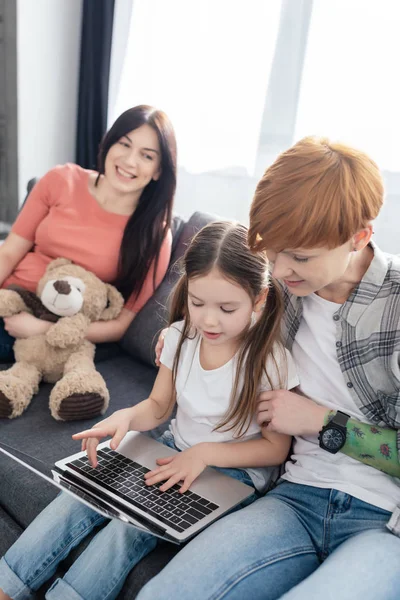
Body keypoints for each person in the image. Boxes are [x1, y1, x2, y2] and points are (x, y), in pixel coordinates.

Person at [137, 137, 400, 600]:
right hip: (293, 498)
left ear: (360, 236)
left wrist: (322, 422)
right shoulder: (279, 290)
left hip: (384, 522)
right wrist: (181, 335)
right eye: (272, 252)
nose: (279, 270)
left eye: (299, 257)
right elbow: (214, 311)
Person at [0, 221, 299, 600]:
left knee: (128, 528)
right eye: (197, 302)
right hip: (171, 447)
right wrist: (124, 418)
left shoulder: (271, 361)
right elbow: (158, 406)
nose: (208, 320)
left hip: (233, 474)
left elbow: (275, 449)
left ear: (259, 299)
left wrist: (202, 454)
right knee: (81, 495)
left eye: (226, 308)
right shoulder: (179, 337)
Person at [0, 104, 176, 419]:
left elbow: (121, 325)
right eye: (124, 144)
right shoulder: (60, 180)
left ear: (159, 170)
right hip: (9, 299)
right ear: (109, 143)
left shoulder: (154, 235)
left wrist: (42, 326)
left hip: (60, 329)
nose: (129, 160)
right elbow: (10, 251)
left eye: (147, 155)